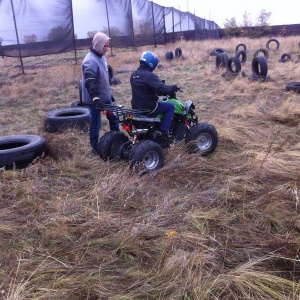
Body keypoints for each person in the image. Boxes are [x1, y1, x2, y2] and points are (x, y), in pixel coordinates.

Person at [81, 32, 119, 153]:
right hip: (94, 99)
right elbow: (90, 82)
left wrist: (109, 94)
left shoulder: (101, 56)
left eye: (108, 45)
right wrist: (96, 99)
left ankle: (117, 140)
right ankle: (95, 147)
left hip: (104, 96)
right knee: (96, 122)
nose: (107, 49)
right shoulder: (89, 61)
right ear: (98, 44)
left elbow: (103, 78)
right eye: (105, 46)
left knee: (113, 118)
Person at [130, 51, 179, 139]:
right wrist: (172, 88)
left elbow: (145, 88)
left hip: (136, 107)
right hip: (149, 107)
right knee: (170, 107)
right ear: (152, 64)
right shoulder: (150, 76)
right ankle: (164, 132)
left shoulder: (133, 75)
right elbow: (161, 90)